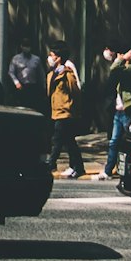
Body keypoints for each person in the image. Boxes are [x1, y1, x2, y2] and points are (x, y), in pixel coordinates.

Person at [44, 48, 84, 176]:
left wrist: (73, 108)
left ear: (59, 58)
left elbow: (76, 93)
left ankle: (50, 164)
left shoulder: (67, 74)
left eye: (53, 55)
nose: (50, 58)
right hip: (55, 111)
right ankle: (79, 167)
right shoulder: (51, 74)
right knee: (69, 141)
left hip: (65, 112)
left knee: (57, 140)